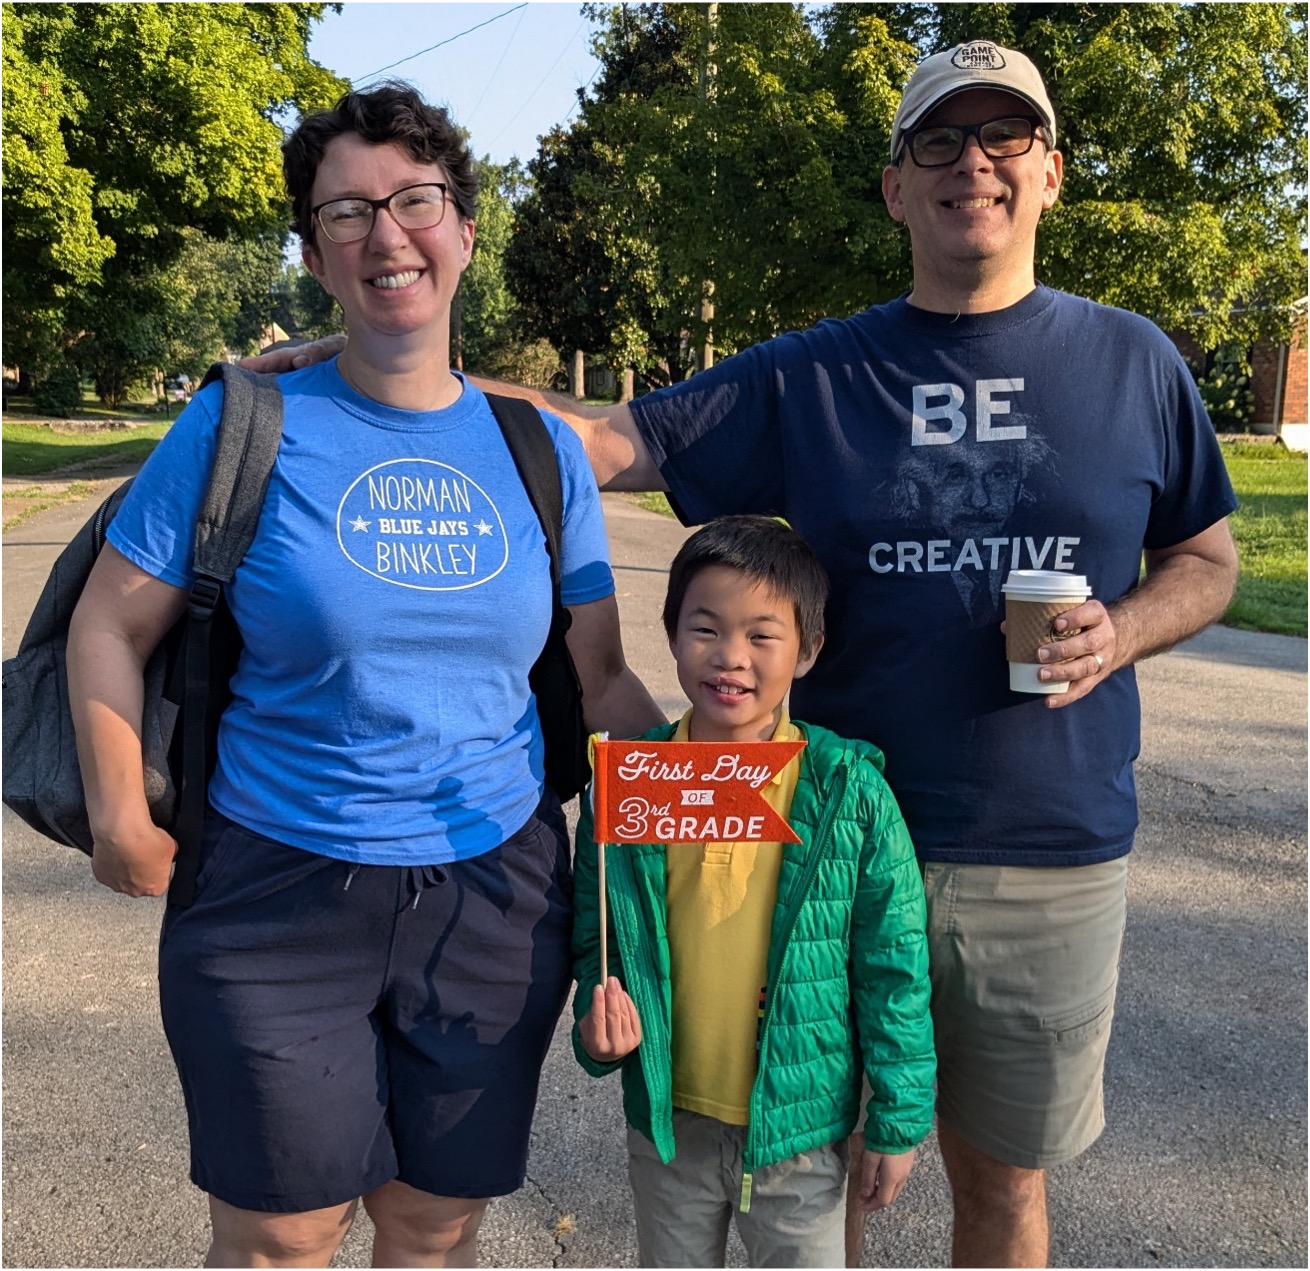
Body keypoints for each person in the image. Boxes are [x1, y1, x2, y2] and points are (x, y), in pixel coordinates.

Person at [252, 40, 1241, 1269]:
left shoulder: (1132, 360)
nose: (969, 164)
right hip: (797, 823)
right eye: (937, 140)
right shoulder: (819, 370)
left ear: (1049, 171)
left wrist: (1125, 625)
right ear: (894, 186)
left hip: (1038, 841)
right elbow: (602, 444)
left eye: (1003, 138)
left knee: (997, 1181)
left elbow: (1207, 559)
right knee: (794, 1166)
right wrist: (387, 374)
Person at [67, 83, 664, 1268]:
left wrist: (733, 784)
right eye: (347, 213)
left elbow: (600, 680)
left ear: (464, 230)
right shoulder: (244, 423)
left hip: (493, 893)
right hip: (274, 885)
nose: (386, 236)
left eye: (415, 202)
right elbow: (106, 627)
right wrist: (117, 813)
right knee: (280, 1233)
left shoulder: (538, 450)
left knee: (431, 1223)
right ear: (314, 251)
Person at [571, 516, 935, 1268]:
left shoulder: (847, 791)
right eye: (705, 628)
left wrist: (898, 1119)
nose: (730, 657)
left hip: (801, 1132)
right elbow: (595, 936)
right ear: (671, 634)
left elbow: (894, 967)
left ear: (809, 649)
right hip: (672, 1121)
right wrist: (596, 1023)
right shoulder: (628, 784)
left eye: (762, 635)